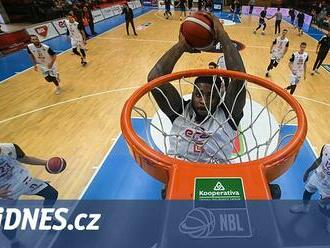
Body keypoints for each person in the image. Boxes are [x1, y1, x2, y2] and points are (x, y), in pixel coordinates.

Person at [148, 14, 246, 163]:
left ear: (219, 97)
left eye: (210, 96)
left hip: (216, 179)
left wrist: (223, 35)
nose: (203, 101)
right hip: (180, 174)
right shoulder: (180, 111)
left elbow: (239, 78)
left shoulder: (228, 115)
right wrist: (182, 45)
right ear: (192, 94)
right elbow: (155, 78)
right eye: (199, 94)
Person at [0, 143, 59, 246]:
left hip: (26, 181)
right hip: (6, 193)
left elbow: (25, 158)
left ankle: (46, 217)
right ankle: (14, 241)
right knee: (9, 224)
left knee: (51, 194)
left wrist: (46, 162)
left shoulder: (9, 147)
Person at [290, 144, 330, 233]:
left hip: (328, 187)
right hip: (317, 176)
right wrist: (308, 170)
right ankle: (305, 207)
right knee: (307, 192)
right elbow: (319, 159)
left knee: (326, 207)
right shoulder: (326, 147)